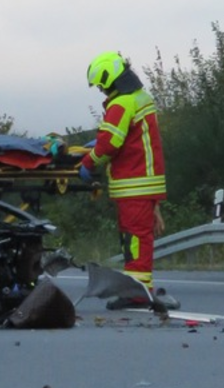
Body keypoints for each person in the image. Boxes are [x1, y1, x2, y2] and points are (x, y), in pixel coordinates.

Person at [80, 50, 179, 311]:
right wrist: (155, 202)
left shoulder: (122, 104)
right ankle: (139, 288)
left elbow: (110, 142)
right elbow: (135, 140)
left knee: (134, 239)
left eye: (102, 85)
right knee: (138, 238)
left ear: (110, 79)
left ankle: (137, 292)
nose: (102, 91)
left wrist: (88, 163)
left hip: (133, 183)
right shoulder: (141, 99)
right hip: (145, 182)